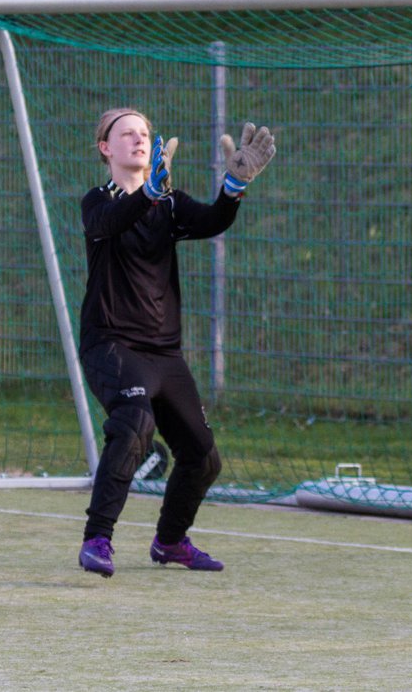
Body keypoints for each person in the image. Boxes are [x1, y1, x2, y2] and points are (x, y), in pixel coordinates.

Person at [76, 108, 275, 577]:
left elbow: (210, 222)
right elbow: (109, 222)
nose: (139, 139)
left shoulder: (166, 202)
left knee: (203, 457)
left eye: (144, 132)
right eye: (126, 133)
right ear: (106, 147)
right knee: (133, 427)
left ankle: (169, 542)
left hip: (163, 352)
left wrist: (235, 186)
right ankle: (97, 540)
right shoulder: (97, 201)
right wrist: (147, 192)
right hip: (111, 344)